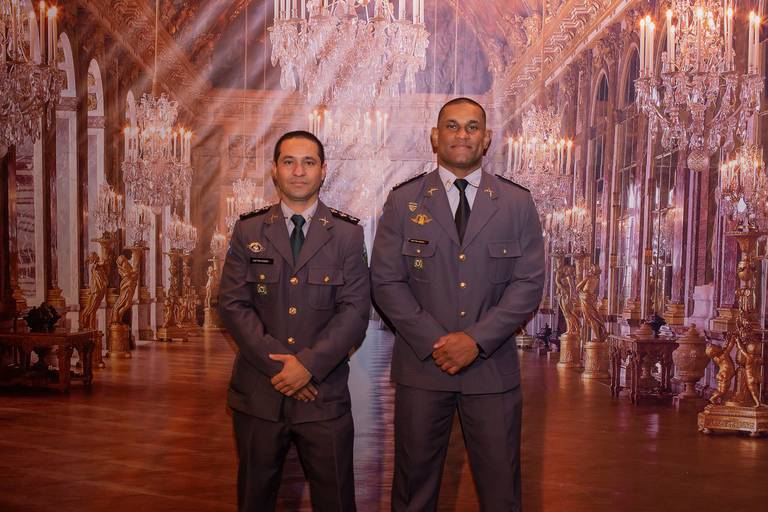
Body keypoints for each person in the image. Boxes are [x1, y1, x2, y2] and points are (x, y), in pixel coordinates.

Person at [371, 97, 545, 511]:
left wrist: (475, 341)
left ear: (487, 139)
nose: (461, 134)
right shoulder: (403, 201)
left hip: (491, 371)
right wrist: (437, 342)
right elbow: (386, 281)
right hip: (423, 368)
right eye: (451, 125)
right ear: (435, 136)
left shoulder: (517, 203)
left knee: (501, 494)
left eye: (471, 127)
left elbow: (528, 284)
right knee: (413, 491)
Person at [219, 130, 370, 512]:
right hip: (259, 394)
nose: (298, 171)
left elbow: (355, 312)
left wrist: (309, 367)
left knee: (336, 501)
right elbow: (233, 305)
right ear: (275, 170)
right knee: (254, 499)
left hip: (323, 395)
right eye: (289, 162)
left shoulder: (348, 235)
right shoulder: (248, 230)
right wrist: (284, 369)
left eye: (308, 162)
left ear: (323, 170)